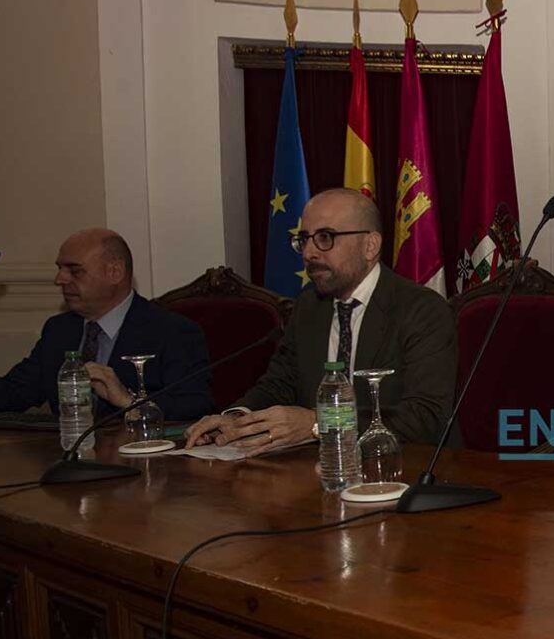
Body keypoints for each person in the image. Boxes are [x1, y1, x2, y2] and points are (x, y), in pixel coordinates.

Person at [183, 188, 457, 457]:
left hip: (402, 467)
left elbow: (425, 418)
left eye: (325, 237)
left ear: (370, 246)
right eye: (304, 239)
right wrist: (236, 419)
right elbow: (279, 384)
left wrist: (320, 424)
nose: (309, 253)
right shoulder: (308, 307)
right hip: (319, 470)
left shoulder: (421, 309)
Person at [0, 228, 213, 422]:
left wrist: (129, 400)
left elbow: (195, 405)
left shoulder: (173, 331)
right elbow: (14, 392)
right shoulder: (59, 330)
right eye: (60, 269)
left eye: (74, 271)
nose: (59, 279)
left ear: (115, 272)